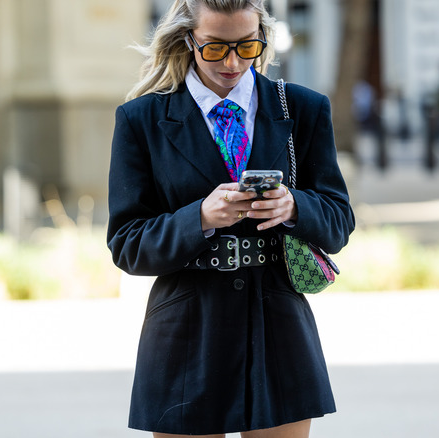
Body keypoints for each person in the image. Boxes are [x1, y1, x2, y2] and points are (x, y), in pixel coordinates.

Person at [106, 1, 355, 436]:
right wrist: (200, 217)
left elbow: (338, 221)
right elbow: (127, 245)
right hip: (187, 330)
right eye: (216, 47)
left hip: (278, 325)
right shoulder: (141, 119)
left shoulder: (303, 108)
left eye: (247, 46)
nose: (233, 62)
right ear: (189, 39)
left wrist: (294, 206)